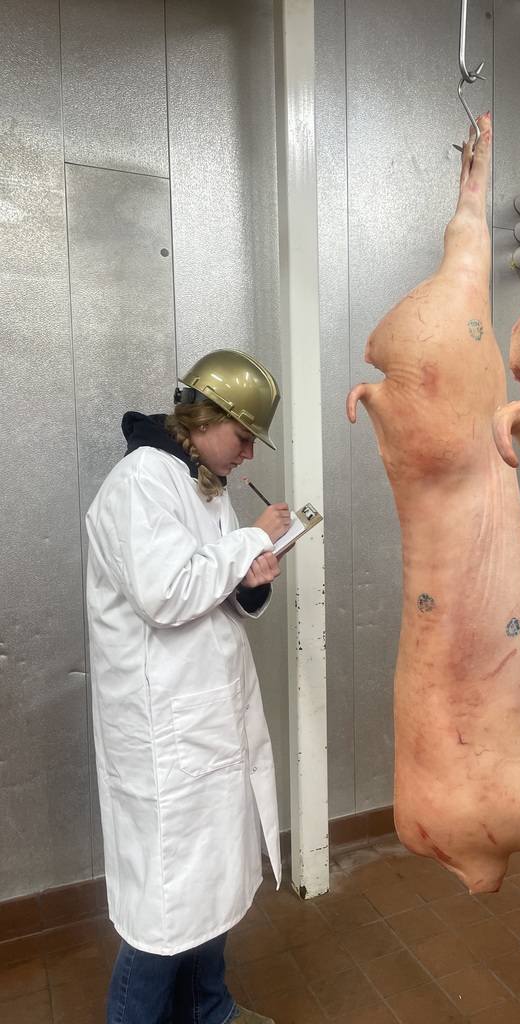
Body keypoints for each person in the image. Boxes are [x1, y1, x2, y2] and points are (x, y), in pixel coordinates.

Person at [86, 349, 293, 1024]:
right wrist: (247, 543)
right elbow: (166, 593)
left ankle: (211, 1013)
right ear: (205, 419)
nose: (248, 454)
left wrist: (252, 578)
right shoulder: (141, 481)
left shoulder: (204, 484)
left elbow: (214, 587)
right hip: (163, 736)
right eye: (243, 437)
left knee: (211, 889)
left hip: (206, 722)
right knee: (165, 911)